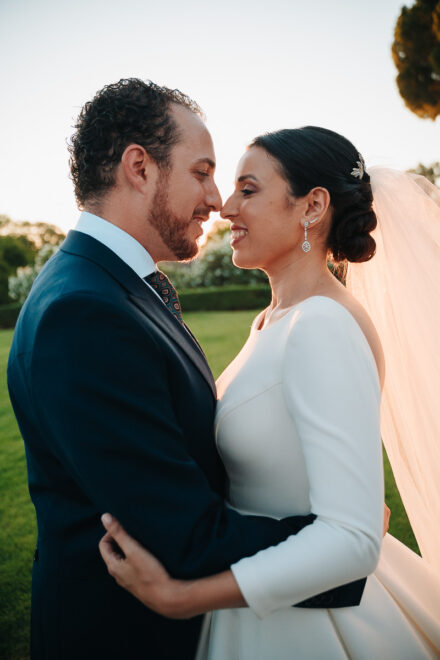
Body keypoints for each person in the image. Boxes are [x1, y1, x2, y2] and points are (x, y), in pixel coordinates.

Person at [7, 84, 365, 660]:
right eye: (202, 173)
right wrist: (341, 543)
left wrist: (348, 539)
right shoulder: (85, 311)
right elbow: (179, 535)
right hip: (124, 635)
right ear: (139, 168)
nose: (216, 199)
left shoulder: (110, 288)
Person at [99, 127, 440, 659]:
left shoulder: (322, 325)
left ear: (313, 206)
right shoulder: (274, 320)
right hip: (266, 599)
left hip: (314, 623)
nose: (226, 207)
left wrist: (183, 597)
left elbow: (352, 539)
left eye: (248, 189)